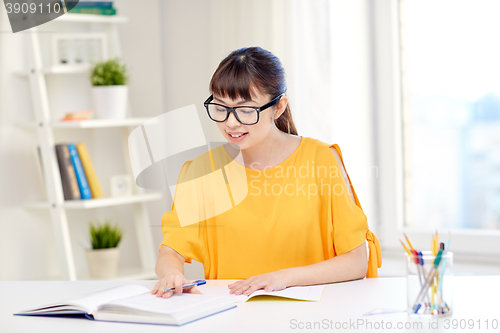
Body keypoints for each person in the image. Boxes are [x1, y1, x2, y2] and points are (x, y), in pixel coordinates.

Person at [151, 47, 382, 299]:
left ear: (279, 106)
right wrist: (171, 273)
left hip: (309, 315)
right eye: (221, 107)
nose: (231, 122)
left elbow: (356, 260)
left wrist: (283, 277)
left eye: (246, 110)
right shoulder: (202, 171)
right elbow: (170, 252)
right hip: (232, 315)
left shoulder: (321, 160)